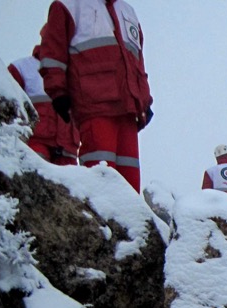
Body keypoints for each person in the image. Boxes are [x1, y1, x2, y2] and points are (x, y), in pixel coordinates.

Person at [38, 0, 153, 192]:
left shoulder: (128, 12)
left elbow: (138, 63)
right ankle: (100, 220)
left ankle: (130, 221)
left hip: (128, 109)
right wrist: (58, 92)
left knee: (129, 180)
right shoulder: (68, 6)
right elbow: (53, 53)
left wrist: (145, 100)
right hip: (93, 103)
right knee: (101, 175)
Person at [7, 42, 79, 166]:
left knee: (71, 185)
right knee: (34, 179)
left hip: (68, 151)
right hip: (33, 145)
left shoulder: (76, 72)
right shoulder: (21, 68)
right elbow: (7, 109)